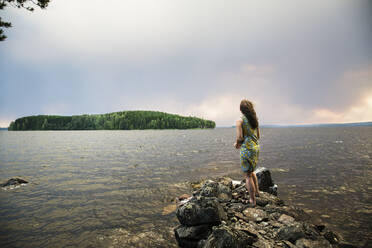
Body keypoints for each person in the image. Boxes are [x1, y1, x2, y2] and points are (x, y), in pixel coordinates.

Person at [234, 99, 260, 207]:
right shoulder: (255, 120)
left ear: (241, 110)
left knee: (247, 175)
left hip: (247, 149)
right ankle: (257, 192)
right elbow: (258, 136)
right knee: (252, 171)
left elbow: (240, 137)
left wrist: (236, 144)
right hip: (256, 147)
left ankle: (252, 200)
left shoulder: (240, 121)